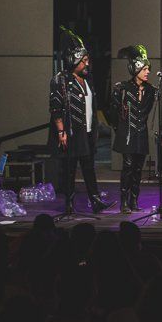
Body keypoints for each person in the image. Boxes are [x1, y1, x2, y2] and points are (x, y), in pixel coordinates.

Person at [49, 26, 114, 215]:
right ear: (74, 61)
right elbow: (55, 108)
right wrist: (61, 132)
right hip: (70, 132)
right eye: (84, 60)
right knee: (69, 169)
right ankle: (68, 204)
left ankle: (95, 201)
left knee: (88, 168)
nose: (87, 64)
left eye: (87, 60)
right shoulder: (60, 80)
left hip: (86, 132)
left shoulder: (88, 80)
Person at [110, 45, 156, 214]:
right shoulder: (121, 88)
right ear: (135, 69)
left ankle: (134, 200)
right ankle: (123, 201)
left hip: (141, 133)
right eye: (144, 69)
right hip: (126, 133)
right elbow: (112, 112)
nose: (147, 72)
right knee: (128, 166)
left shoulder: (150, 90)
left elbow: (148, 110)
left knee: (138, 168)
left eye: (147, 69)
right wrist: (119, 128)